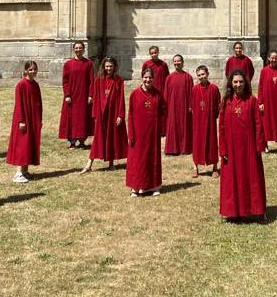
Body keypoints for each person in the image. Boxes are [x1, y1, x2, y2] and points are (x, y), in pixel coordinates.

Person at [218, 71, 267, 222]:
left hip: (249, 148)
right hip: (231, 149)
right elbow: (222, 127)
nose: (238, 85)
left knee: (253, 178)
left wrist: (259, 146)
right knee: (232, 179)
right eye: (235, 82)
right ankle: (234, 211)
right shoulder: (226, 101)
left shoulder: (252, 101)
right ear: (230, 84)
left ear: (245, 83)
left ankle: (258, 210)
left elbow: (258, 125)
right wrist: (223, 148)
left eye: (241, 82)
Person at [81, 57, 128, 173]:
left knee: (111, 136)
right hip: (101, 114)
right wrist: (95, 115)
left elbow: (121, 98)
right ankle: (89, 164)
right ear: (103, 67)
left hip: (113, 113)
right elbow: (96, 97)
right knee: (98, 138)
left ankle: (111, 163)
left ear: (114, 67)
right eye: (107, 66)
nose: (109, 68)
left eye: (111, 66)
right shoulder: (99, 79)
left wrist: (120, 115)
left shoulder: (118, 80)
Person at [127, 68, 167, 197]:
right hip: (138, 134)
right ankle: (136, 187)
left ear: (153, 79)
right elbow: (130, 115)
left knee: (152, 159)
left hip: (153, 134)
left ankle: (154, 186)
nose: (148, 80)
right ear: (141, 78)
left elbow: (163, 111)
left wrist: (161, 129)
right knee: (138, 160)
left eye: (150, 77)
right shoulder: (135, 94)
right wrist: (131, 134)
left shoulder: (157, 94)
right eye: (145, 77)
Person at [7, 60, 43, 183]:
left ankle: (25, 171)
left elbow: (39, 103)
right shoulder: (21, 85)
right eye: (30, 69)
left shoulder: (35, 85)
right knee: (22, 144)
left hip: (33, 118)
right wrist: (21, 120)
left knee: (30, 143)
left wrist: (39, 119)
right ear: (26, 70)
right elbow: (19, 104)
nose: (33, 71)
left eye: (34, 69)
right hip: (24, 118)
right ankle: (18, 173)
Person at [59, 41, 94, 149]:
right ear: (74, 49)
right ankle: (72, 142)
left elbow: (91, 81)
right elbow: (65, 81)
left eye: (80, 48)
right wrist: (67, 95)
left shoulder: (89, 63)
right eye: (76, 48)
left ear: (84, 49)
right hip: (72, 96)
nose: (78, 50)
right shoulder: (68, 64)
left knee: (83, 118)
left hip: (83, 96)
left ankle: (82, 141)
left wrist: (90, 95)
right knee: (72, 119)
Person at [256, 50, 277, 151]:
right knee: (266, 123)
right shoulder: (264, 71)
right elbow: (260, 87)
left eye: (275, 58)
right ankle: (266, 146)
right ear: (268, 58)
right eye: (272, 58)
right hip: (268, 102)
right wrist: (260, 102)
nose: (274, 60)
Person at [190, 65, 221, 178]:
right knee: (197, 143)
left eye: (203, 74)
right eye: (199, 75)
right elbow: (192, 105)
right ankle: (195, 167)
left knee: (212, 142)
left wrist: (214, 116)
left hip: (210, 120)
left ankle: (215, 167)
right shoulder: (195, 89)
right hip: (198, 121)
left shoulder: (214, 88)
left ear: (207, 74)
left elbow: (218, 104)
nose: (201, 77)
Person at [163, 54, 193, 156]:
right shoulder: (169, 78)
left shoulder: (188, 77)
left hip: (184, 106)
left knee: (184, 126)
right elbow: (166, 94)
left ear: (182, 62)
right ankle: (172, 149)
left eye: (179, 61)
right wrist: (165, 107)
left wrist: (190, 105)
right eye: (175, 61)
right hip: (172, 107)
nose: (177, 63)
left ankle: (184, 148)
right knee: (172, 127)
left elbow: (191, 93)